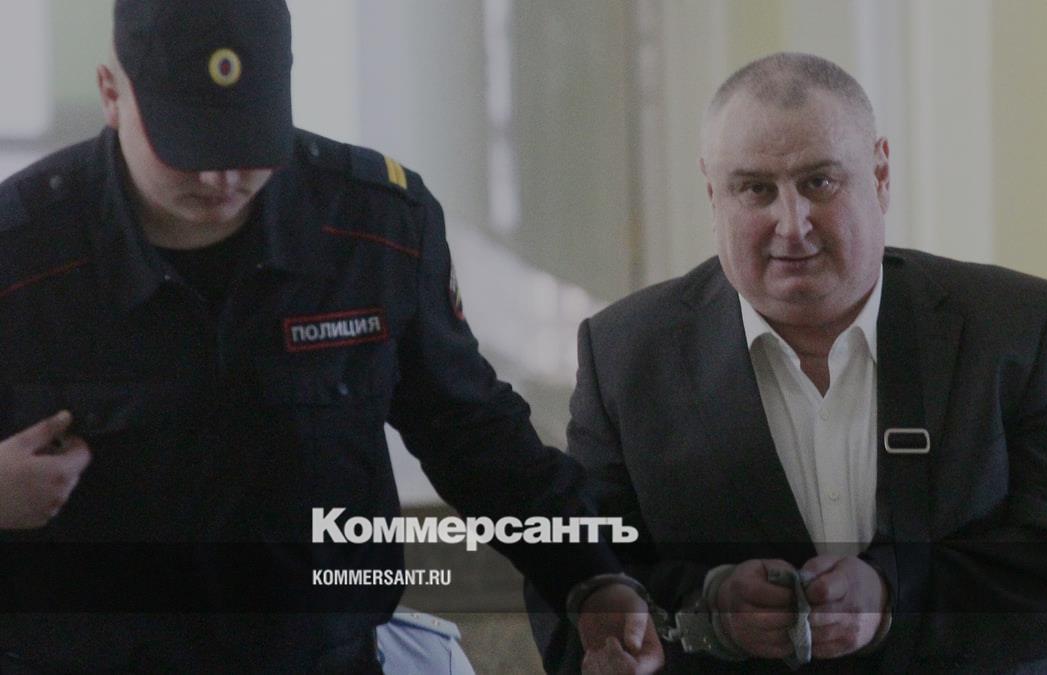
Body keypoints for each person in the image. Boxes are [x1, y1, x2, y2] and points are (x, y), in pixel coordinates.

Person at [0, 1, 661, 672]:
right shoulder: (19, 257)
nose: (220, 178)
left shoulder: (372, 229)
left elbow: (472, 434)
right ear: (111, 94)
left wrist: (591, 574)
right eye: (190, 146)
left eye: (247, 144)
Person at [527, 52, 1047, 673]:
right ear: (713, 194)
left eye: (819, 182)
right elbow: (576, 577)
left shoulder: (1013, 326)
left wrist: (894, 599)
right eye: (755, 189)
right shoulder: (627, 355)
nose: (792, 225)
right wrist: (709, 613)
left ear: (880, 175)